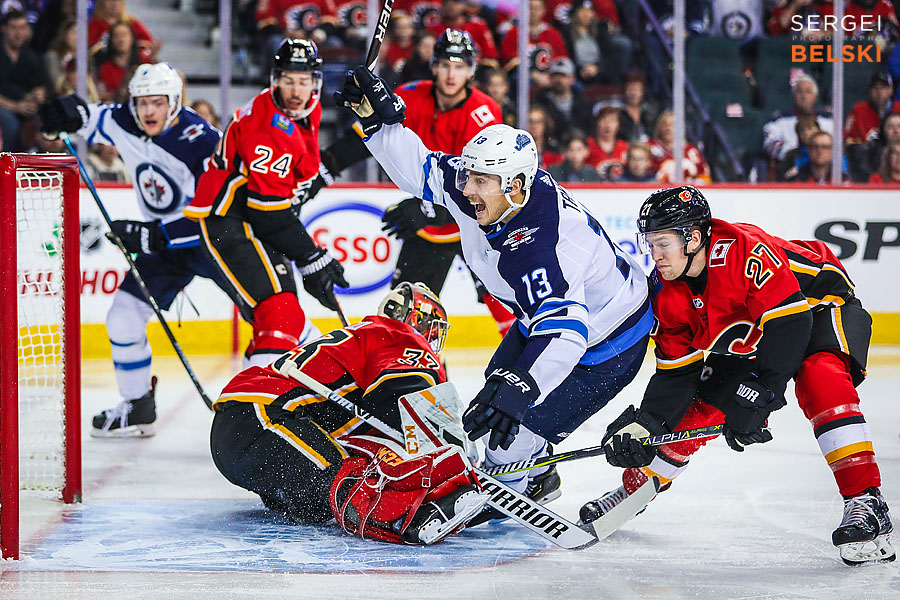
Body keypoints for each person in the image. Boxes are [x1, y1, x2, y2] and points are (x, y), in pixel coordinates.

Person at [335, 66, 653, 521]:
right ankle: (534, 474)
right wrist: (377, 123)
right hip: (545, 319)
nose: (466, 190)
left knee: (512, 430)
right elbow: (423, 169)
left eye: (479, 181)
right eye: (469, 176)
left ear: (516, 187)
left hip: (608, 344)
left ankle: (509, 492)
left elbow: (567, 332)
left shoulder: (542, 246)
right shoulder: (492, 187)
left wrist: (523, 388)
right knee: (491, 401)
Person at [584, 185, 894, 566]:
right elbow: (677, 375)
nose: (655, 255)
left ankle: (866, 501)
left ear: (693, 239)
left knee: (819, 378)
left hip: (817, 306)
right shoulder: (666, 293)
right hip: (758, 332)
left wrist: (763, 391)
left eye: (663, 244)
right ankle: (633, 491)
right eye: (650, 244)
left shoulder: (741, 252)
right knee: (698, 412)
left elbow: (791, 322)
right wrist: (647, 423)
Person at [210, 282, 488, 545]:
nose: (432, 338)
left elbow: (385, 412)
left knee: (320, 502)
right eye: (432, 327)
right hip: (261, 418)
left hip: (245, 427)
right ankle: (401, 517)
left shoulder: (368, 337)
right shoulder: (399, 335)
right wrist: (454, 462)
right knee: (351, 480)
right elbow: (407, 400)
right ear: (415, 318)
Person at [38, 63, 230, 437]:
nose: (148, 111)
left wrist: (155, 235)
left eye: (158, 103)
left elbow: (216, 211)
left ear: (174, 102)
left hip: (214, 241)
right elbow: (88, 117)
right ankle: (137, 404)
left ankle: (292, 401)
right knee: (123, 316)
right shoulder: (125, 119)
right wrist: (64, 112)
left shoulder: (202, 142)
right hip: (164, 244)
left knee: (269, 316)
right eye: (142, 102)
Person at [309, 29, 516, 336]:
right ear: (434, 66)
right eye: (444, 65)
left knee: (507, 305)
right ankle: (418, 365)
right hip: (430, 230)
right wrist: (325, 166)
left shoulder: (483, 113)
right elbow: (367, 137)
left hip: (476, 224)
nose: (451, 74)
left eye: (459, 66)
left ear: (471, 70)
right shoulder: (410, 96)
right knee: (406, 319)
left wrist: (427, 209)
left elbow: (482, 186)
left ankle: (531, 361)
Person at [186, 39, 347, 371]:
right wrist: (311, 256)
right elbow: (267, 210)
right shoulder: (269, 128)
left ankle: (276, 385)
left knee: (285, 316)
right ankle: (252, 400)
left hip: (253, 219)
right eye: (288, 80)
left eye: (303, 81)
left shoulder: (306, 109)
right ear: (275, 79)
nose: (295, 90)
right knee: (279, 313)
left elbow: (290, 176)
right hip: (229, 220)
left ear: (315, 83)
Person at [0, 10, 48, 151]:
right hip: (4, 106)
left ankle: (36, 158)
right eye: (14, 28)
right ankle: (6, 161)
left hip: (23, 105)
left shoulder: (31, 56)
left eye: (22, 28)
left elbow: (40, 86)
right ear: (4, 29)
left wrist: (36, 96)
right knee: (10, 124)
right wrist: (15, 106)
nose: (18, 33)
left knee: (44, 119)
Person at [763, 73, 833, 162]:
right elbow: (769, 144)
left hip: (824, 164)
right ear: (794, 95)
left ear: (815, 96)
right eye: (800, 92)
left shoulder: (828, 120)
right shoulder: (780, 119)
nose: (804, 96)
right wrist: (793, 154)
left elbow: (837, 146)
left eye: (808, 92)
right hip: (789, 163)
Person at [648, 110, 711, 184]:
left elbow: (705, 178)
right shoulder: (650, 147)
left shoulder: (691, 151)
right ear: (659, 127)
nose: (668, 128)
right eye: (665, 125)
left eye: (673, 125)